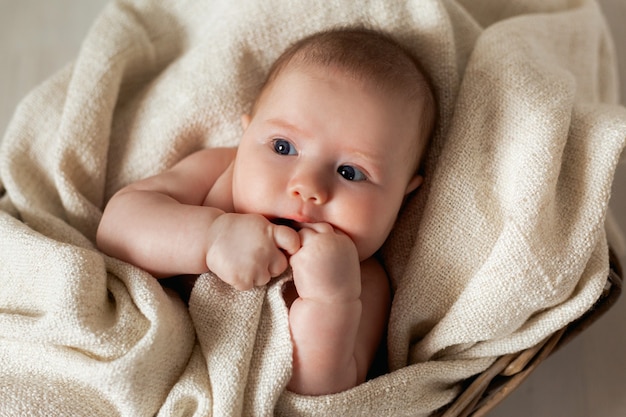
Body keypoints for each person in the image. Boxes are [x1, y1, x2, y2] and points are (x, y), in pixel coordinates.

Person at [96, 27, 436, 396]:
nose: (308, 187)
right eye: (283, 147)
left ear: (402, 198)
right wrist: (210, 237)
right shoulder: (218, 173)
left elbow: (323, 392)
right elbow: (117, 230)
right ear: (246, 137)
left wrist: (329, 301)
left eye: (350, 172)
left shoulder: (360, 282)